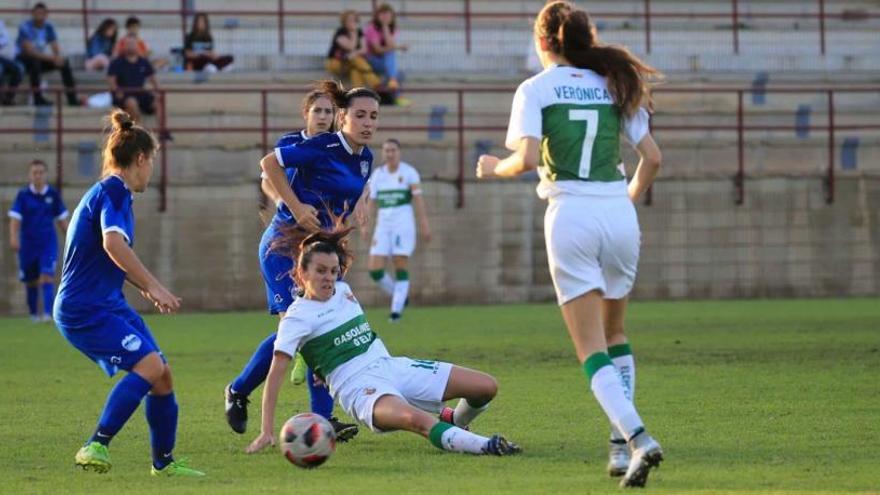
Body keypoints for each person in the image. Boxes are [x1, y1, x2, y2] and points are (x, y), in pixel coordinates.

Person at [475, 1, 664, 488]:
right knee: (616, 334)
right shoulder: (615, 83)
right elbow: (653, 159)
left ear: (542, 43)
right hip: (618, 212)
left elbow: (527, 159)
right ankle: (620, 450)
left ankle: (639, 437)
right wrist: (624, 201)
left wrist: (494, 167)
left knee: (590, 349)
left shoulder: (535, 89)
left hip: (572, 215)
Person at [244, 228, 521, 457]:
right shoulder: (296, 318)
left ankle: (455, 425)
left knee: (485, 387)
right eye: (320, 271)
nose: (329, 278)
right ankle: (487, 446)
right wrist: (267, 429)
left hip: (391, 367)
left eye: (333, 271)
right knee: (417, 420)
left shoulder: (344, 290)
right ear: (303, 273)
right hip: (360, 389)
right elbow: (275, 373)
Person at [53, 109, 204, 477]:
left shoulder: (110, 193)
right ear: (140, 159)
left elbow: (111, 254)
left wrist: (144, 289)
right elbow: (112, 244)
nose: (151, 170)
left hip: (107, 303)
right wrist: (153, 285)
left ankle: (163, 464)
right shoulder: (114, 192)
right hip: (83, 308)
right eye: (152, 161)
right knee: (150, 366)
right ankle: (96, 444)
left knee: (161, 373)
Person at [225, 86, 358, 441]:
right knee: (300, 328)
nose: (324, 118)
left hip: (316, 250)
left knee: (318, 327)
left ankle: (321, 419)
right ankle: (238, 391)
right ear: (306, 114)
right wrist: (296, 205)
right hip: (282, 247)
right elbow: (269, 176)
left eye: (329, 112)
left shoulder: (342, 154)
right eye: (318, 111)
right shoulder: (293, 144)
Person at [365, 138, 431, 322]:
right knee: (374, 270)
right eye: (386, 150)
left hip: (403, 225)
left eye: (393, 150)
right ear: (383, 153)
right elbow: (371, 202)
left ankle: (395, 312)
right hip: (383, 226)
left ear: (399, 152)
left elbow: (418, 200)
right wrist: (365, 224)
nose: (390, 153)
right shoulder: (378, 175)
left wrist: (424, 223)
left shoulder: (409, 173)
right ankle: (400, 296)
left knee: (399, 262)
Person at [7, 159, 68, 322]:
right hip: (28, 245)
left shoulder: (52, 195)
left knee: (47, 276)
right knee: (31, 281)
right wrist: (13, 237)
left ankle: (48, 315)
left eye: (41, 172)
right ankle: (34, 315)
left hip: (48, 243)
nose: (38, 176)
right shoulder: (23, 195)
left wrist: (72, 238)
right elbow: (15, 219)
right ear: (30, 175)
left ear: (45, 174)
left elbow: (62, 220)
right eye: (35, 173)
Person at [15, 2, 79, 106]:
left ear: (46, 14)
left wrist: (57, 58)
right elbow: (29, 52)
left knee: (64, 63)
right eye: (37, 13)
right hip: (24, 59)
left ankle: (72, 99)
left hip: (40, 59)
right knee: (35, 64)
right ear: (32, 14)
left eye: (42, 13)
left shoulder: (48, 27)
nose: (39, 15)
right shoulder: (25, 27)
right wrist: (51, 58)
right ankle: (37, 99)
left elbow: (55, 46)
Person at [107, 36, 161, 123]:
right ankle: (138, 131)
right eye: (128, 44)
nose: (131, 46)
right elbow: (111, 80)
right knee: (132, 102)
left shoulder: (143, 62)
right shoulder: (116, 62)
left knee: (158, 102)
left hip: (140, 93)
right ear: (124, 46)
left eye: (133, 44)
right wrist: (117, 91)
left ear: (137, 46)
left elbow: (153, 78)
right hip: (123, 95)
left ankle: (162, 130)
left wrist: (157, 91)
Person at [325, 10, 380, 90]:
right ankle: (375, 82)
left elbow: (364, 49)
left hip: (351, 62)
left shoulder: (359, 32)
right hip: (336, 62)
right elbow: (351, 46)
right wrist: (354, 33)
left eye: (354, 20)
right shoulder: (340, 32)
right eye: (349, 20)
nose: (352, 22)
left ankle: (358, 92)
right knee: (356, 60)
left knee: (356, 70)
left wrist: (353, 54)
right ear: (344, 21)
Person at [364, 3, 408, 102]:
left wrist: (385, 27)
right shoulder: (371, 28)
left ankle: (391, 91)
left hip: (384, 63)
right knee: (390, 54)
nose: (385, 18)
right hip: (370, 60)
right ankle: (397, 96)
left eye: (388, 15)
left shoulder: (393, 29)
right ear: (377, 16)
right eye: (383, 15)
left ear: (392, 17)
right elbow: (377, 50)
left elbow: (390, 44)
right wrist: (399, 47)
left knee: (400, 73)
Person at [0, 19, 23, 106]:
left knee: (19, 68)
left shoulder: (0, 23)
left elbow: (5, 39)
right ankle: (1, 98)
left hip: (4, 56)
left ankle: (9, 98)